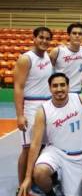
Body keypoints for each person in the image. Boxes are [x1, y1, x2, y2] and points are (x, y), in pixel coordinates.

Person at [17, 73, 82, 196]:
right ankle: (50, 194)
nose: (59, 89)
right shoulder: (43, 110)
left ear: (68, 86)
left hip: (75, 156)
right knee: (39, 173)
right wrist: (28, 177)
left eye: (62, 85)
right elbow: (35, 144)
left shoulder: (80, 100)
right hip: (54, 150)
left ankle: (65, 182)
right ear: (49, 88)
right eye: (55, 86)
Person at [14, 26, 53, 187]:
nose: (44, 41)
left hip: (48, 106)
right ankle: (22, 184)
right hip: (31, 106)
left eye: (47, 38)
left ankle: (36, 179)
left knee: (43, 146)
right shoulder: (26, 59)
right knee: (27, 148)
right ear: (34, 38)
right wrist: (19, 115)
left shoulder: (48, 57)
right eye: (41, 37)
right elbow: (18, 87)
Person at [50, 22, 82, 93]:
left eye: (80, 34)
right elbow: (48, 71)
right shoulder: (57, 51)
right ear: (69, 35)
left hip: (78, 91)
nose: (77, 36)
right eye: (74, 33)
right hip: (60, 92)